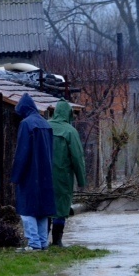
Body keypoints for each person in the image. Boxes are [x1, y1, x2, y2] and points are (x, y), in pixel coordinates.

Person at [11, 93, 56, 252]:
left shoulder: (26, 124)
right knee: (42, 210)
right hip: (46, 174)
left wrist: (16, 175)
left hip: (30, 174)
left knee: (27, 209)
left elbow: (22, 152)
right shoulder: (45, 124)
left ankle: (33, 243)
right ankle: (43, 242)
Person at [48, 98, 86, 246]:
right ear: (68, 114)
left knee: (46, 205)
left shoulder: (45, 126)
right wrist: (81, 180)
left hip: (43, 175)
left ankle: (41, 239)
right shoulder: (70, 131)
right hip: (63, 176)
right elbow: (77, 157)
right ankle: (57, 241)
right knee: (62, 207)